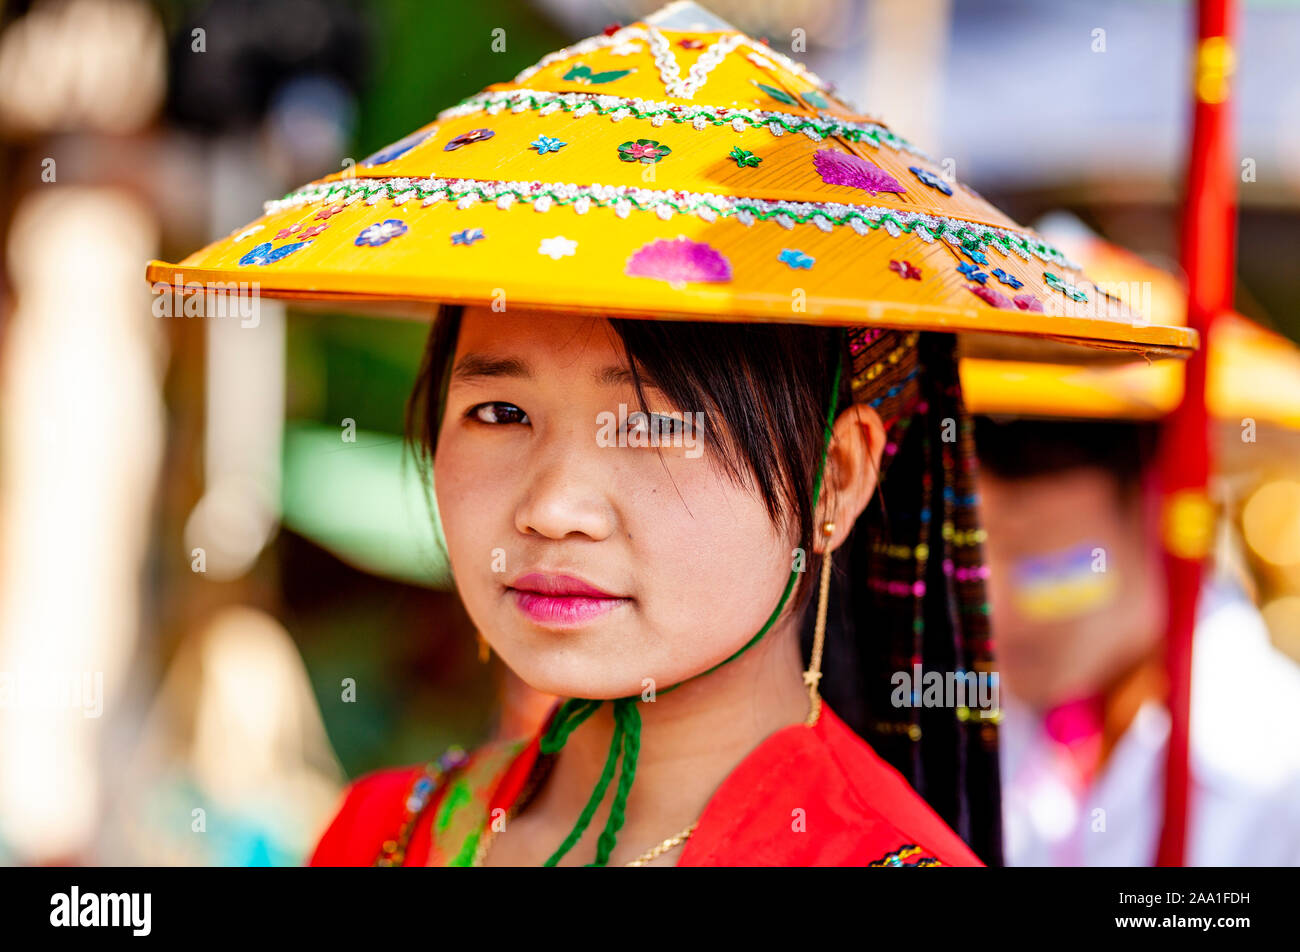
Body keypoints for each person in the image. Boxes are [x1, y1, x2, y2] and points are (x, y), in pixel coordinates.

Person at [147, 2, 1195, 866]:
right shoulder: (385, 832)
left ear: (834, 479)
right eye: (499, 412)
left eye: (653, 425)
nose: (551, 504)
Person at [976, 415, 1300, 867]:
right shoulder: (972, 720)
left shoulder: (1281, 765)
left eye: (1030, 557)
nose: (993, 607)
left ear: (1163, 516)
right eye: (975, 556)